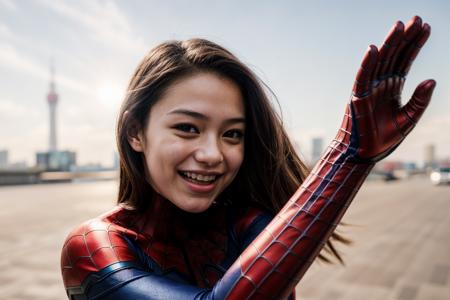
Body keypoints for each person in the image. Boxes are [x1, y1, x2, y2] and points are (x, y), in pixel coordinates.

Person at [60, 16, 435, 299]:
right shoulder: (93, 247)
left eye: (232, 134)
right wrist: (346, 157)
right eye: (188, 128)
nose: (212, 154)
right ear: (135, 133)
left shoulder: (245, 225)